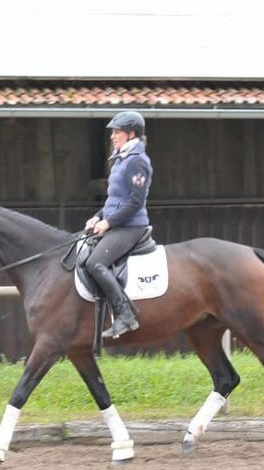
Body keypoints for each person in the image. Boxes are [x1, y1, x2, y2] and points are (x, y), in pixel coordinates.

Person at [85, 110, 153, 339]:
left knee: (95, 263)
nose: (112, 136)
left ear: (131, 133)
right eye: (112, 132)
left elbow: (135, 202)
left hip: (131, 227)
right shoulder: (120, 160)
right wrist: (98, 216)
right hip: (116, 223)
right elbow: (115, 200)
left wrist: (108, 222)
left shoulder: (137, 161)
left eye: (117, 132)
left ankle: (124, 315)